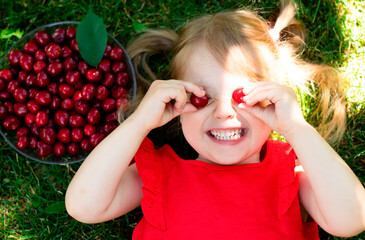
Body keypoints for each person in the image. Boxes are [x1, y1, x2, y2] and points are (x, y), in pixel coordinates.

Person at [65, 1, 365, 239]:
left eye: (241, 96)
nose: (223, 112)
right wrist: (139, 122)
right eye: (201, 97)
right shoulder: (159, 173)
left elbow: (352, 220)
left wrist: (296, 128)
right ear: (176, 101)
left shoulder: (291, 174)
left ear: (270, 99)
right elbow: (84, 206)